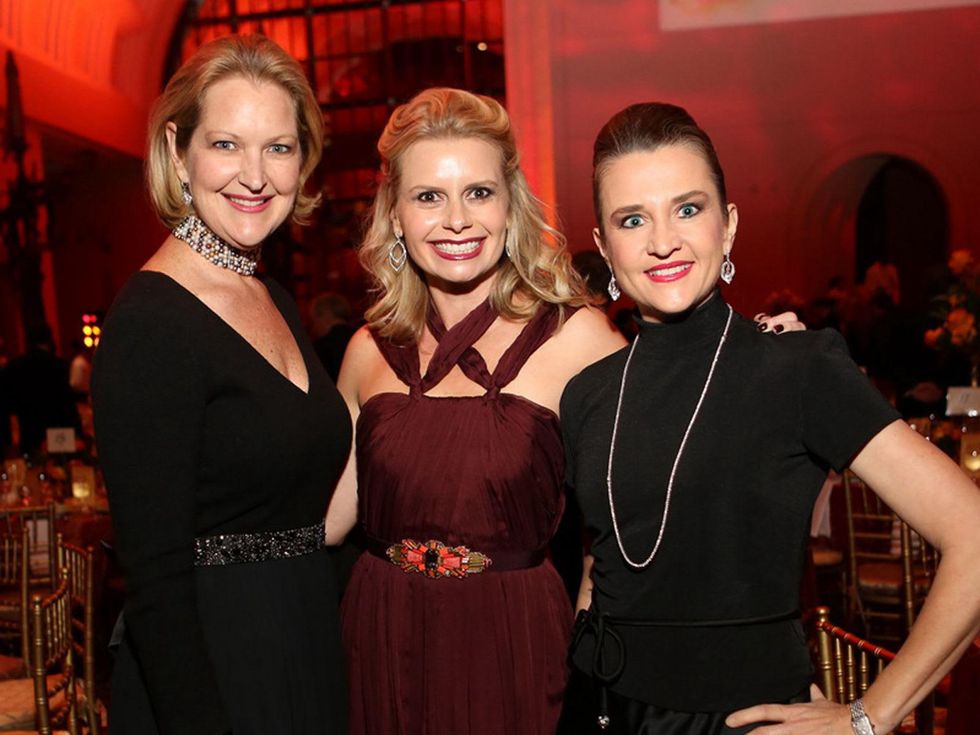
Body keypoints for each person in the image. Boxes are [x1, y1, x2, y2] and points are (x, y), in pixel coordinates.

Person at [326, 88, 801, 734]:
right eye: (429, 196)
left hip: (512, 642)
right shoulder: (366, 350)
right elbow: (322, 520)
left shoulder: (573, 337)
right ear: (396, 215)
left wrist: (761, 354)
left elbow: (675, 419)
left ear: (510, 205)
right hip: (379, 633)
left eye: (480, 193)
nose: (457, 219)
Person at [561, 102, 980, 734]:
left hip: (745, 720)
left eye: (688, 208)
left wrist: (871, 716)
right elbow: (604, 563)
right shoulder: (589, 393)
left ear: (727, 226)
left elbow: (972, 537)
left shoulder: (798, 369)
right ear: (602, 244)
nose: (662, 240)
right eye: (632, 219)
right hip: (597, 710)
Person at [91, 35, 350, 735]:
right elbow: (156, 583)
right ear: (179, 152)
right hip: (214, 673)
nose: (255, 175)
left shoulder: (272, 297)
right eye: (227, 144)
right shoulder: (151, 319)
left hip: (302, 648)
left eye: (279, 147)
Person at [0, 325, 80, 456]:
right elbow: (67, 403)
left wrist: (7, 439)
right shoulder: (58, 365)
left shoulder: (15, 366)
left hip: (28, 431)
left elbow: (6, 404)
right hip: (58, 432)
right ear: (50, 339)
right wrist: (78, 432)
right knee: (58, 468)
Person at [309, 291, 355, 382]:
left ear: (326, 315)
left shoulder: (321, 348)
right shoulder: (363, 338)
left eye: (314, 321)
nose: (314, 328)